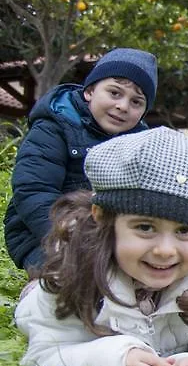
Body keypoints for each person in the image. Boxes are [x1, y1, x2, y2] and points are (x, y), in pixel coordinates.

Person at [15, 127, 188, 366]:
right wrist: (111, 360)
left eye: (184, 231)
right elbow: (45, 354)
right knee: (31, 306)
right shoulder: (73, 269)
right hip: (52, 297)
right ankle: (31, 292)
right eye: (145, 228)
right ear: (102, 216)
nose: (165, 250)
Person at [4, 48, 158, 273]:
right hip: (43, 230)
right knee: (72, 279)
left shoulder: (139, 142)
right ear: (90, 91)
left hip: (105, 233)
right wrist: (64, 236)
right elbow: (33, 189)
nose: (123, 106)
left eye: (136, 102)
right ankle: (38, 294)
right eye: (115, 93)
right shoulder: (54, 126)